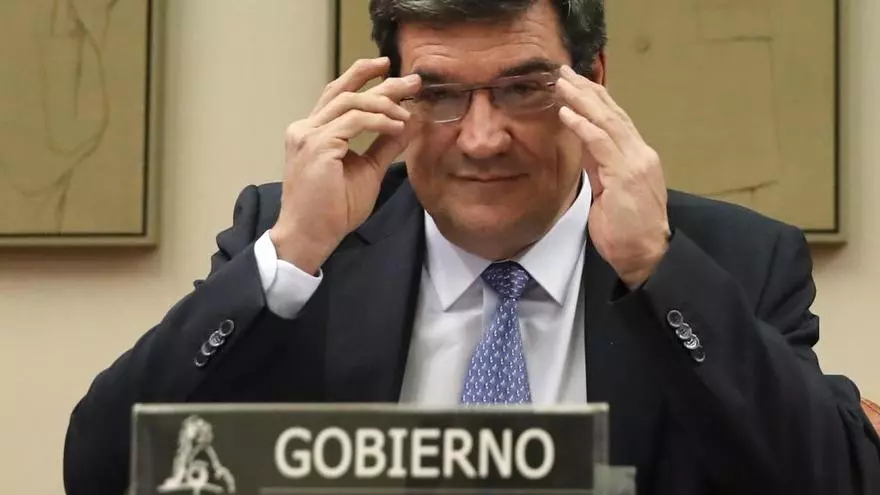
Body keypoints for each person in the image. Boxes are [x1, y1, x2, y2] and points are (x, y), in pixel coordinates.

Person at [63, 0, 880, 494]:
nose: (483, 139)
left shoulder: (727, 259)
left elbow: (839, 479)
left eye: (524, 88)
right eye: (441, 93)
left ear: (594, 80)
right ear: (392, 94)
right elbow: (103, 470)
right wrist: (292, 253)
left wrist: (654, 269)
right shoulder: (306, 242)